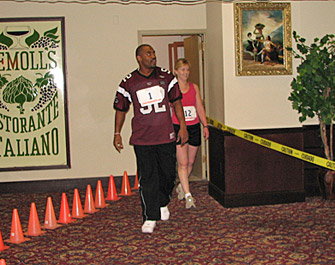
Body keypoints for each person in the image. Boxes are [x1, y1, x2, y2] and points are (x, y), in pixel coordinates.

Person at [113, 44, 188, 234]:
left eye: (154, 52)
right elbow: (121, 109)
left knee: (167, 174)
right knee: (148, 178)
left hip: (165, 135)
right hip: (142, 138)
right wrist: (117, 133)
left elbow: (177, 102)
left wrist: (183, 126)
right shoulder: (129, 82)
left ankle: (163, 202)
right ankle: (149, 215)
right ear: (139, 58)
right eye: (148, 53)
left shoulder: (166, 77)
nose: (153, 56)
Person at [171, 58, 209, 209]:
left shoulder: (194, 87)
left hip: (193, 127)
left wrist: (205, 125)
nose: (185, 73)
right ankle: (188, 195)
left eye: (187, 70)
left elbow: (199, 106)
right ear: (176, 71)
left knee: (191, 162)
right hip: (179, 128)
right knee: (183, 163)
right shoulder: (172, 89)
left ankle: (182, 185)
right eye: (182, 70)